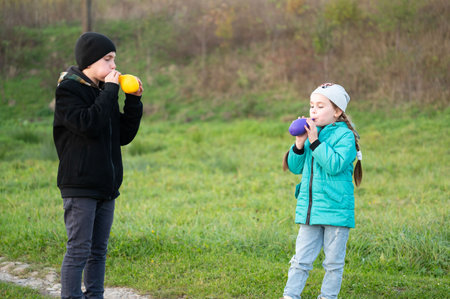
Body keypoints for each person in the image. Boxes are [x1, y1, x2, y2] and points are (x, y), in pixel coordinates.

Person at [53, 32, 143, 299]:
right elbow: (88, 125)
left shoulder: (104, 91)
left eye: (114, 59)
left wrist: (134, 101)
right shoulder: (68, 90)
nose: (114, 66)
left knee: (98, 251)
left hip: (105, 185)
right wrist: (112, 92)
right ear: (90, 62)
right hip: (80, 184)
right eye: (108, 59)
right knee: (79, 250)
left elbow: (122, 136)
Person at [281, 83, 362, 299]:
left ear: (337, 111)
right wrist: (300, 143)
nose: (313, 111)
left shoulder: (345, 137)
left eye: (320, 106)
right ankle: (290, 295)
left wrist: (315, 141)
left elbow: (334, 165)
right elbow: (295, 168)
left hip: (336, 211)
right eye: (311, 106)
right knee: (301, 259)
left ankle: (328, 297)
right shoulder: (311, 134)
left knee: (333, 263)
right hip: (311, 210)